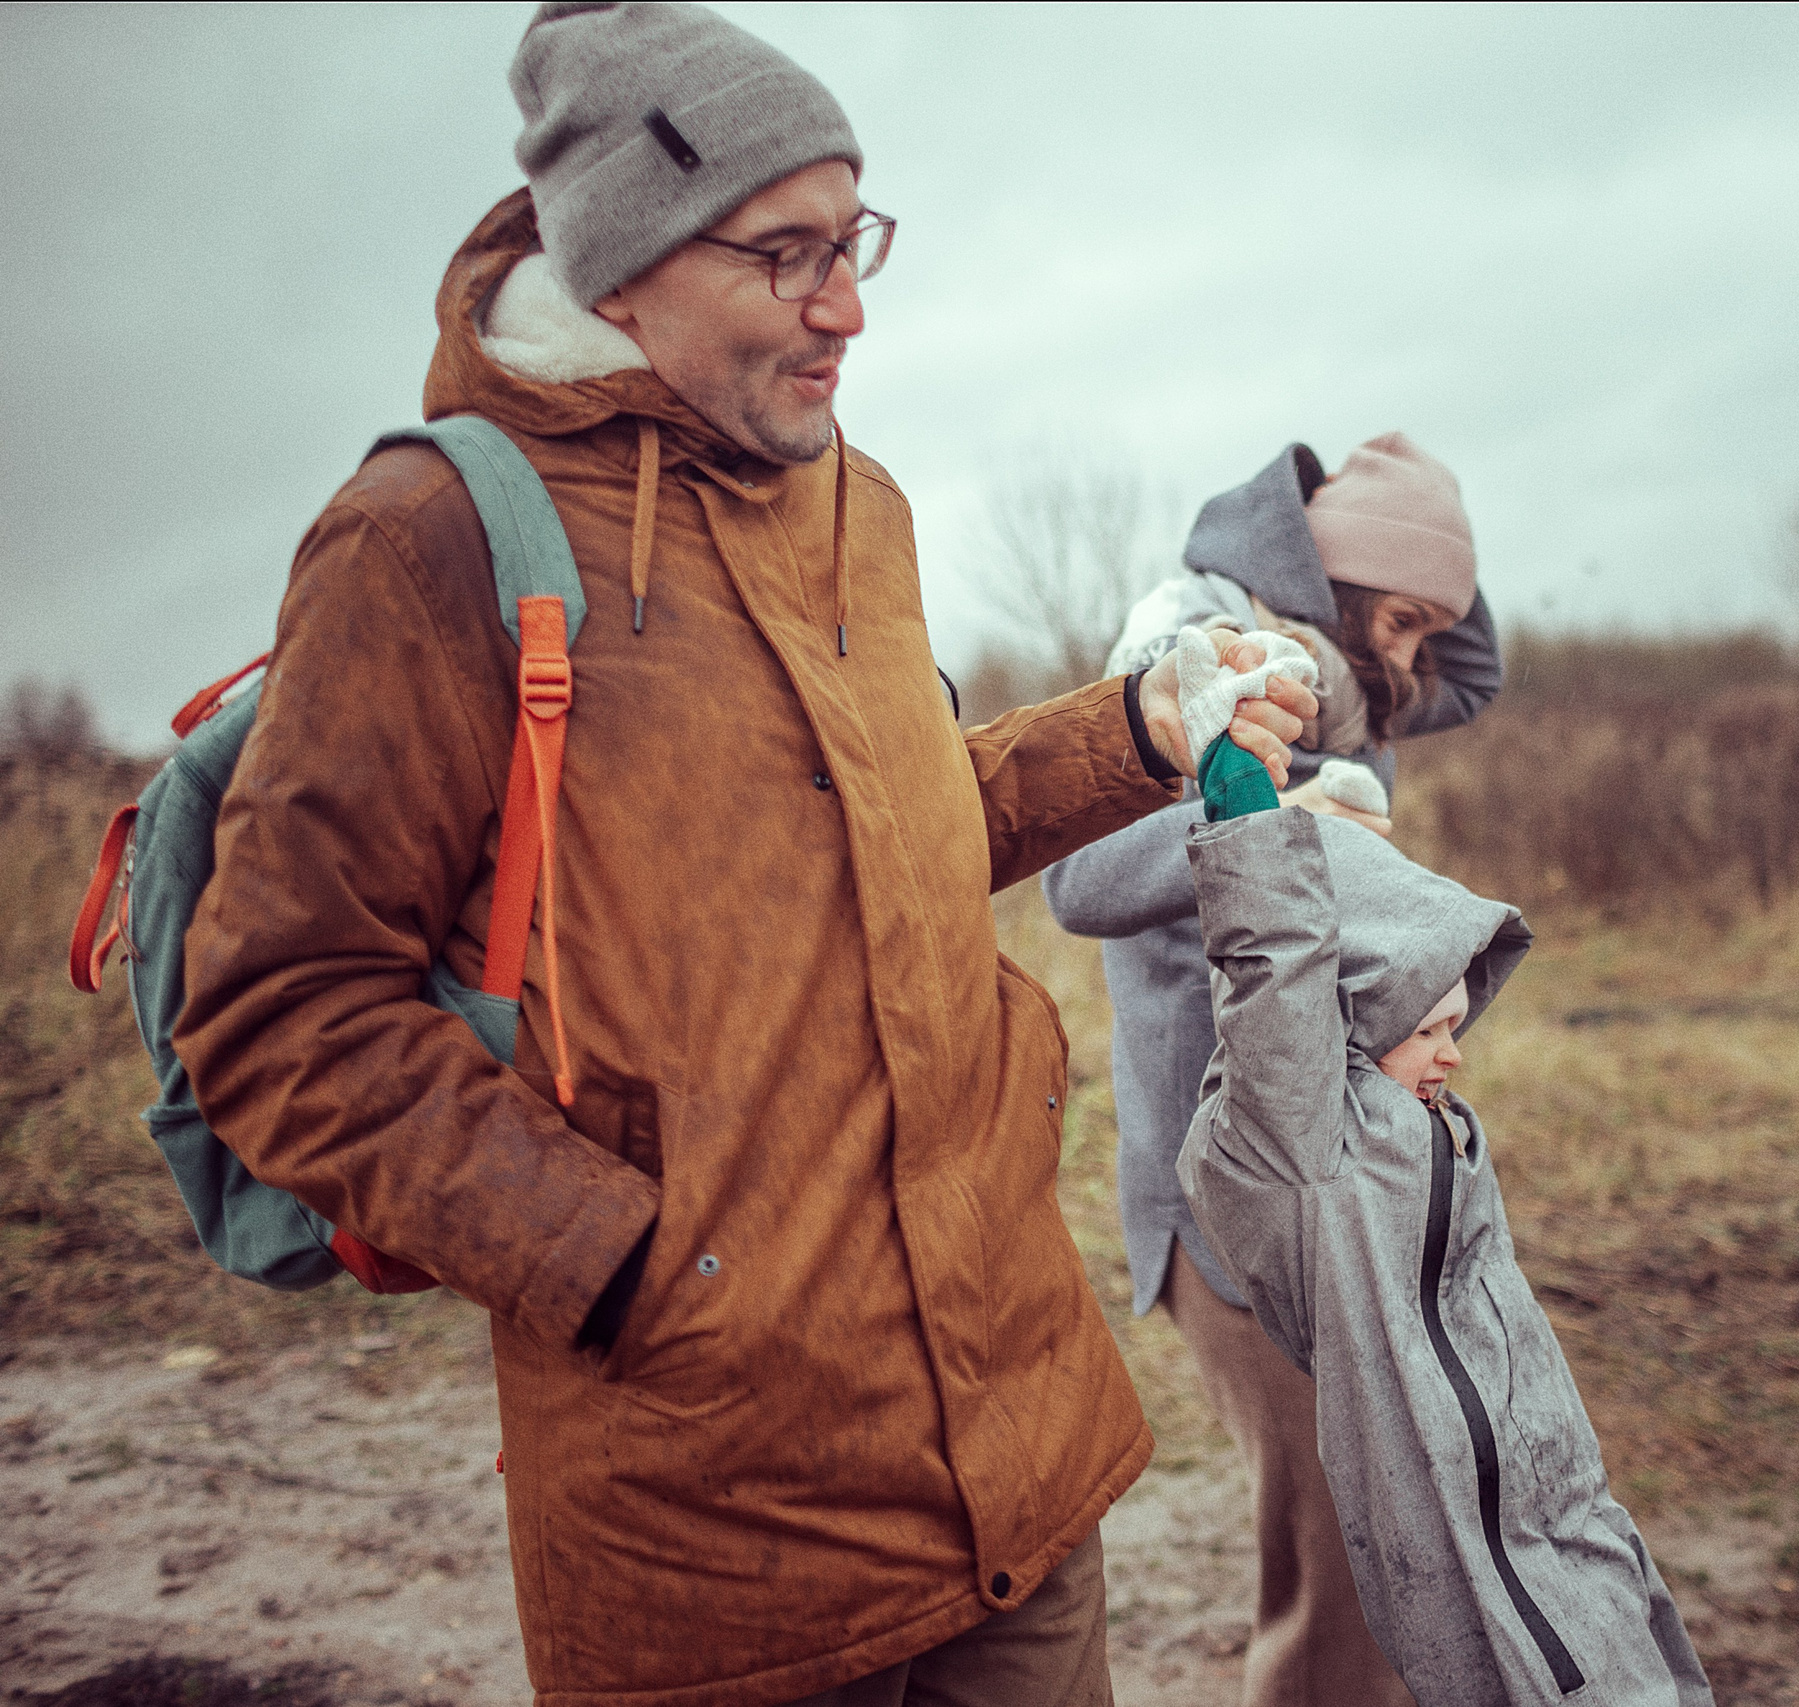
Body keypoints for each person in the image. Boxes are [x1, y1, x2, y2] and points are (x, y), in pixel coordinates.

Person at [173, 6, 1312, 1705]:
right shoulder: (422, 543)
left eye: (853, 243)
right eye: (785, 255)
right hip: (715, 1539)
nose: (845, 305)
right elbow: (276, 1005)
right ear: (623, 265)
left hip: (1014, 1456)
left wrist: (1135, 730)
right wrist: (617, 1260)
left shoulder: (863, 507)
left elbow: (901, 829)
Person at [1043, 434, 1501, 1706]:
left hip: (1343, 1173)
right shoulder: (1187, 649)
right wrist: (1273, 822)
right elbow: (1076, 878)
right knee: (1353, 1576)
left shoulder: (1343, 700)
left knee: (1405, 1553)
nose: (1412, 658)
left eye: (1424, 630)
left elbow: (1467, 671)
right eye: (1397, 620)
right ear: (1331, 580)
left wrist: (1400, 559)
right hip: (1232, 1192)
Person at [1173, 728, 1718, 1707]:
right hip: (1470, 1567)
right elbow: (1279, 980)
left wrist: (1337, 831)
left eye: (1454, 1028)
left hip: (1554, 1510)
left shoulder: (1431, 1132)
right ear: (1346, 1018)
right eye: (1426, 1031)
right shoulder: (1298, 1149)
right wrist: (1252, 822)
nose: (1452, 1056)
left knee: (1644, 1661)